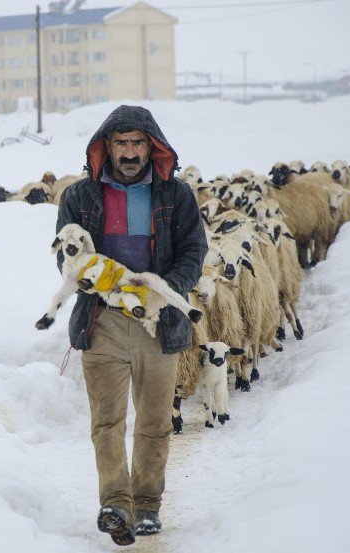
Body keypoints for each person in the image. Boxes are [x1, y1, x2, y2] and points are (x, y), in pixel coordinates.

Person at [55, 105, 207, 546]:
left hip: (157, 323)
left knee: (155, 420)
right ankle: (115, 503)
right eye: (120, 144)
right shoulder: (79, 198)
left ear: (152, 148)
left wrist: (164, 290)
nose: (128, 152)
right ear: (106, 147)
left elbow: (193, 250)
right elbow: (65, 254)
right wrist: (94, 276)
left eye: (137, 144)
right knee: (107, 420)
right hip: (101, 320)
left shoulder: (175, 197)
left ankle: (146, 505)